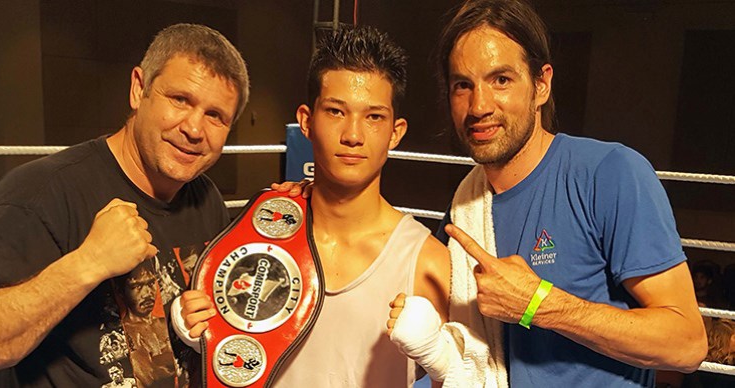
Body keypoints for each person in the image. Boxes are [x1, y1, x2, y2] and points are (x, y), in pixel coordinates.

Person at [394, 0, 708, 387]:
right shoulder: (466, 205)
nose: (479, 105)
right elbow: (465, 357)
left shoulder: (609, 173)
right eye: (463, 85)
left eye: (501, 80)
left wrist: (538, 304)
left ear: (541, 85)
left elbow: (687, 344)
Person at [0, 23, 249, 387]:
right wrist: (88, 263)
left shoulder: (205, 198)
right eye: (180, 99)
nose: (195, 129)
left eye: (216, 116)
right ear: (138, 88)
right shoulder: (41, 191)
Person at [174, 26, 452, 387]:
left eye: (374, 117)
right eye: (336, 111)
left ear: (395, 132)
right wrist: (205, 335)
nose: (353, 135)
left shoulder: (427, 263)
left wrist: (441, 357)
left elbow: (469, 377)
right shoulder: (259, 234)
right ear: (306, 121)